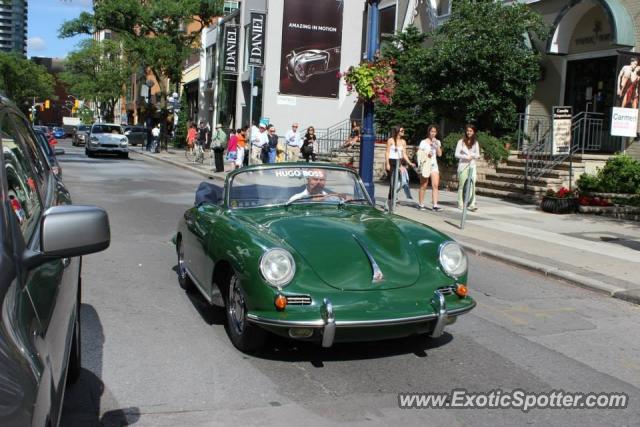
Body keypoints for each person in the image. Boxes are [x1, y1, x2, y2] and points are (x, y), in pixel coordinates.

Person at [385, 126, 415, 209]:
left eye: (403, 130)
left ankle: (393, 198)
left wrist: (409, 163)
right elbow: (387, 152)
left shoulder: (403, 141)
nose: (403, 132)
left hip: (399, 162)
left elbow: (404, 154)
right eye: (402, 130)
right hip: (391, 162)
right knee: (393, 183)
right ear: (397, 131)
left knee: (402, 182)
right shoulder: (390, 140)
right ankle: (390, 201)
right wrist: (387, 163)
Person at [417, 125, 443, 211]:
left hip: (434, 165)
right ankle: (421, 204)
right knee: (423, 185)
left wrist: (436, 145)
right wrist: (427, 154)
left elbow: (439, 154)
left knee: (435, 185)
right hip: (425, 165)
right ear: (429, 132)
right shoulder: (423, 142)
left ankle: (435, 205)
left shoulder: (437, 142)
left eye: (435, 132)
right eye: (432, 131)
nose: (433, 133)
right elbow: (419, 154)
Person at [455, 124, 481, 211]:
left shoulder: (475, 142)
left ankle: (472, 204)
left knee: (473, 185)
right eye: (467, 131)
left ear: (473, 132)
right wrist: (466, 157)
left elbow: (478, 155)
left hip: (472, 166)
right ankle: (460, 203)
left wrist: (471, 155)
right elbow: (456, 154)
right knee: (462, 185)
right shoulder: (461, 142)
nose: (469, 132)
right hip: (463, 166)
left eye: (470, 131)